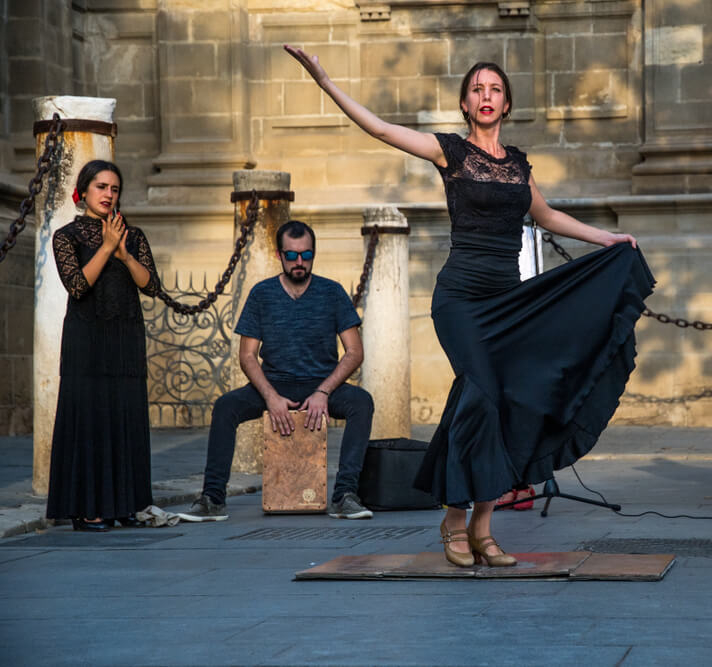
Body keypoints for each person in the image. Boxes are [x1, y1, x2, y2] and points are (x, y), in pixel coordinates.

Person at [286, 46, 655, 566]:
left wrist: (607, 238)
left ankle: (483, 527)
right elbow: (382, 130)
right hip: (460, 299)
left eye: (495, 89)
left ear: (506, 105)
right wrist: (325, 80)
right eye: (477, 89)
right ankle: (454, 520)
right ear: (465, 103)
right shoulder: (451, 152)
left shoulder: (519, 164)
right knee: (481, 397)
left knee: (498, 407)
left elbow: (546, 215)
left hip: (508, 300)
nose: (486, 96)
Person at [187, 220, 375, 521]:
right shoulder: (262, 293)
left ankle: (345, 496)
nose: (299, 262)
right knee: (225, 407)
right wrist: (271, 397)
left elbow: (355, 352)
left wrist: (323, 392)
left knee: (361, 402)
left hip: (320, 384)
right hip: (274, 383)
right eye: (291, 255)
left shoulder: (332, 292)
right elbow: (247, 356)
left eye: (306, 255)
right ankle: (212, 499)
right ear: (280, 255)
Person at [46, 160, 160, 532]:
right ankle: (87, 510)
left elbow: (150, 285)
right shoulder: (66, 236)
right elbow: (78, 286)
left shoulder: (135, 236)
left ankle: (123, 505)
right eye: (101, 187)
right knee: (90, 421)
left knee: (123, 419)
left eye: (114, 188)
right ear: (85, 191)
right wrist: (107, 246)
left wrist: (124, 252)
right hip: (86, 340)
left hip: (125, 338)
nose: (109, 194)